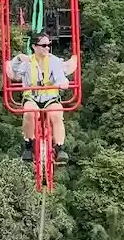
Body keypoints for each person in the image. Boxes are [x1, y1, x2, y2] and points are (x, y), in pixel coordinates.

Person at [5, 30, 77, 164]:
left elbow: (61, 78)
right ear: (34, 47)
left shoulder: (53, 61)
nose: (47, 48)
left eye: (49, 45)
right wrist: (19, 57)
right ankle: (28, 145)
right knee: (29, 113)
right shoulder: (27, 62)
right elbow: (12, 73)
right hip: (32, 97)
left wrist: (63, 84)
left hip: (50, 98)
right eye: (44, 45)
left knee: (56, 114)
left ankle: (60, 147)